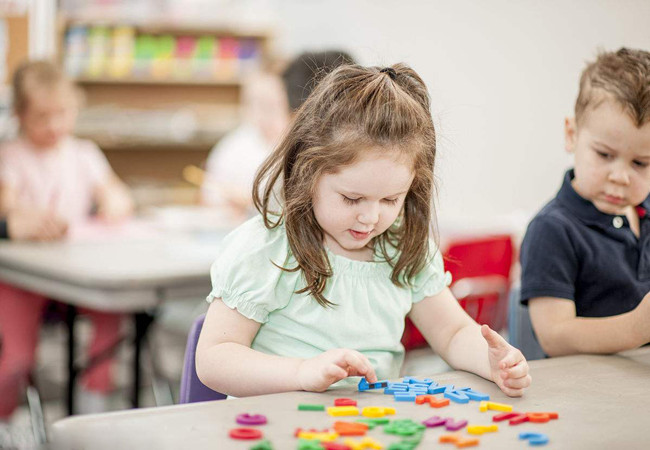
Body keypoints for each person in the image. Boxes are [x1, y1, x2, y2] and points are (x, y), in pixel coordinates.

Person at [196, 63, 531, 397]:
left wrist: (491, 362)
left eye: (390, 199)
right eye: (352, 198)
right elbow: (215, 358)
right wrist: (300, 372)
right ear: (307, 172)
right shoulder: (267, 248)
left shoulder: (400, 245)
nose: (370, 217)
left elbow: (453, 333)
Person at [0, 60, 134, 417]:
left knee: (112, 308)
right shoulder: (10, 156)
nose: (55, 125)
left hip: (75, 272)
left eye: (63, 114)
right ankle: (6, 412)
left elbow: (115, 193)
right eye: (42, 117)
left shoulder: (84, 153)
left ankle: (95, 399)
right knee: (16, 355)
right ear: (19, 115)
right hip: (23, 279)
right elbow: (7, 205)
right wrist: (20, 217)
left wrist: (114, 201)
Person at [520, 48, 650, 357]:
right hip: (584, 391)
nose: (620, 177)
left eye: (641, 163)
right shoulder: (551, 230)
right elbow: (554, 336)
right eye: (604, 155)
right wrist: (637, 327)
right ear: (571, 134)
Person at [200, 50, 355, 219]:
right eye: (251, 104)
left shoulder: (315, 149)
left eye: (272, 106)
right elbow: (207, 194)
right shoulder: (238, 143)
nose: (260, 116)